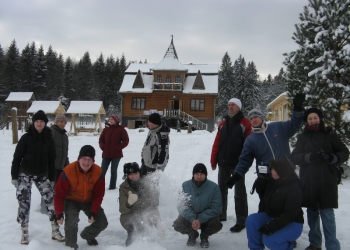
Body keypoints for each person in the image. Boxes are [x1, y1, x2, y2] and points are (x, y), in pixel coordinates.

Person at [226, 93, 305, 213]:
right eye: (251, 119)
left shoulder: (278, 127)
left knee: (290, 204)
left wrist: (298, 109)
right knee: (268, 205)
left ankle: (290, 225)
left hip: (287, 174)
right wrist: (236, 176)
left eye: (256, 117)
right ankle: (268, 226)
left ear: (262, 117)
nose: (254, 120)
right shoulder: (251, 140)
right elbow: (244, 160)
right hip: (267, 177)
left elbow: (295, 124)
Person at [291, 108, 349, 250]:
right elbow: (295, 156)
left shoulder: (330, 135)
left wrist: (334, 158)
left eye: (315, 117)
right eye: (310, 118)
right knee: (312, 214)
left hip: (327, 181)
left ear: (320, 118)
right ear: (307, 121)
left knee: (327, 215)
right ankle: (315, 244)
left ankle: (332, 246)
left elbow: (344, 151)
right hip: (309, 181)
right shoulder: (303, 137)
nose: (313, 121)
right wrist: (308, 157)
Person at [11, 110, 65, 244]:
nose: (39, 124)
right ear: (33, 123)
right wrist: (14, 176)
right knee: (24, 200)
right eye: (36, 121)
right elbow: (17, 157)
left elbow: (52, 160)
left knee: (51, 200)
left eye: (41, 121)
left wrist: (52, 179)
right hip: (25, 172)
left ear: (45, 123)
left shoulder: (49, 139)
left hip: (42, 174)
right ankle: (24, 230)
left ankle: (55, 230)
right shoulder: (26, 137)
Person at [54, 145, 108, 249]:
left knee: (102, 222)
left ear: (93, 161)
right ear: (79, 159)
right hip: (71, 200)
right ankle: (70, 245)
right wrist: (59, 213)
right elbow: (59, 195)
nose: (86, 162)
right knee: (71, 223)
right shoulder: (68, 171)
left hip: (89, 200)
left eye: (89, 160)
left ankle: (87, 235)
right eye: (84, 159)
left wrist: (93, 211)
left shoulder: (98, 172)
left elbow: (99, 194)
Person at [210, 97, 251, 232]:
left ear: (239, 107)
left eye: (233, 105)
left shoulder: (245, 123)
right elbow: (217, 143)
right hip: (223, 162)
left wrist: (246, 162)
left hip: (238, 164)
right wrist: (213, 160)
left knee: (239, 192)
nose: (230, 107)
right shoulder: (223, 124)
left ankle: (241, 220)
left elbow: (250, 144)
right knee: (221, 190)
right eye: (229, 105)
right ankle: (221, 215)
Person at [246, 158, 304, 250]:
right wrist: (262, 179)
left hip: (293, 223)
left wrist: (271, 227)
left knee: (269, 240)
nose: (270, 170)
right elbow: (261, 192)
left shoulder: (294, 188)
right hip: (272, 216)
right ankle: (256, 248)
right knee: (251, 220)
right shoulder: (272, 181)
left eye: (273, 168)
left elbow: (290, 215)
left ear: (279, 171)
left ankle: (288, 246)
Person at [173, 163, 223, 248]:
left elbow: (216, 208)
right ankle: (192, 234)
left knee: (216, 224)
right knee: (177, 224)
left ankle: (204, 236)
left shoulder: (214, 187)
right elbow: (182, 205)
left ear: (205, 175)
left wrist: (200, 219)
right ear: (193, 174)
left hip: (207, 219)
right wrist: (193, 219)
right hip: (190, 219)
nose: (199, 176)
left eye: (202, 174)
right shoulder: (185, 185)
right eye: (197, 174)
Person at [119, 162, 165, 246]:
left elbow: (154, 205)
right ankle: (130, 244)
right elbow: (122, 210)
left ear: (139, 172)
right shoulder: (123, 187)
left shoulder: (147, 182)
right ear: (127, 175)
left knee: (146, 230)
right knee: (133, 229)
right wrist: (129, 203)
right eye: (131, 174)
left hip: (144, 214)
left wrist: (158, 223)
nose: (134, 176)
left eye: (136, 173)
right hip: (130, 215)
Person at [41, 114, 70, 214]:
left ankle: (56, 206)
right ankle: (45, 209)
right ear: (56, 122)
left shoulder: (65, 136)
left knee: (58, 187)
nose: (63, 124)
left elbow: (65, 152)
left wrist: (67, 165)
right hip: (51, 165)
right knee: (48, 187)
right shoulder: (50, 132)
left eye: (64, 122)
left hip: (61, 166)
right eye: (61, 122)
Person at [99, 114, 129, 190]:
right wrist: (103, 147)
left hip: (116, 154)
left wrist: (118, 148)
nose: (110, 120)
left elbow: (126, 141)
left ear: (116, 120)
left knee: (113, 171)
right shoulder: (106, 129)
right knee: (102, 171)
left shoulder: (121, 130)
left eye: (112, 119)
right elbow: (101, 139)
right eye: (110, 119)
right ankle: (99, 186)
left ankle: (112, 187)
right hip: (106, 153)